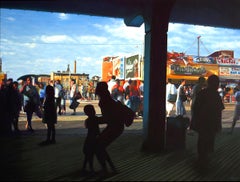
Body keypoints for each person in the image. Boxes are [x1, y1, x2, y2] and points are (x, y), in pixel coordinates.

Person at [191, 74, 225, 169]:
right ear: (215, 84)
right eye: (217, 83)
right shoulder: (215, 94)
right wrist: (219, 124)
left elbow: (195, 108)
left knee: (202, 140)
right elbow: (219, 110)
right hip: (211, 123)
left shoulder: (202, 93)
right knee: (209, 141)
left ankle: (201, 158)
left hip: (202, 123)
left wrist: (194, 122)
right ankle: (204, 159)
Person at [94, 81, 125, 176]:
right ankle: (110, 168)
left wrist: (96, 120)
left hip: (114, 127)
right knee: (100, 146)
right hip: (117, 126)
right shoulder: (109, 98)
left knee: (98, 147)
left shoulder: (104, 101)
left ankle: (106, 169)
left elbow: (108, 118)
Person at [81, 104, 100, 175]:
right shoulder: (96, 119)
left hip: (89, 138)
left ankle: (85, 168)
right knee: (90, 155)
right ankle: (90, 169)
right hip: (94, 139)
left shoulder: (88, 120)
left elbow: (87, 127)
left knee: (88, 155)